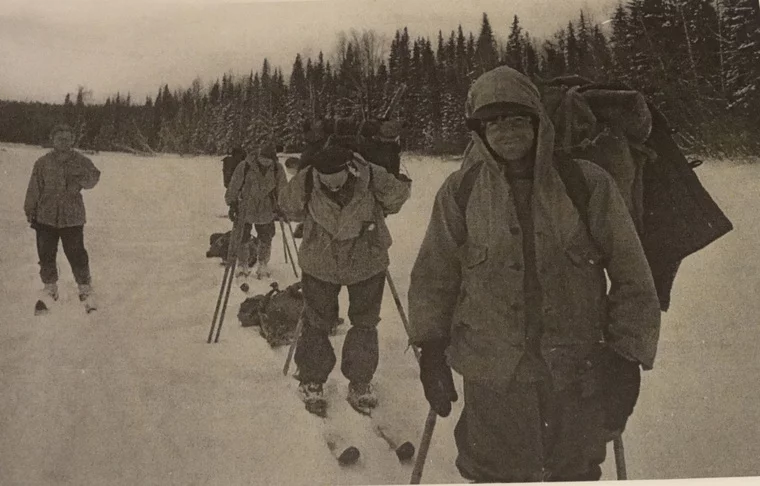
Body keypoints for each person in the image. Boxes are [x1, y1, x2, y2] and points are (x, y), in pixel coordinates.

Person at [407, 66, 661, 483]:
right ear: (480, 132)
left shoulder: (587, 183)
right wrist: (431, 351)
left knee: (575, 473)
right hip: (493, 378)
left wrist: (626, 358)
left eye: (516, 118)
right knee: (493, 474)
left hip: (576, 375)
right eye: (493, 122)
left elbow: (633, 275)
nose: (505, 131)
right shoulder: (460, 191)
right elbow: (435, 276)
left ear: (537, 121)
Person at [280, 145, 411, 414]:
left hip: (366, 261)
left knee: (365, 322)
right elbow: (288, 208)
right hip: (320, 263)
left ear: (348, 167)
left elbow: (397, 198)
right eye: (324, 177)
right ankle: (312, 380)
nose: (331, 184)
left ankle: (360, 382)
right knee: (317, 322)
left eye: (336, 177)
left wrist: (384, 179)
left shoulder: (370, 175)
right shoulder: (306, 179)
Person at [24, 123, 101, 310]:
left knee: (76, 253)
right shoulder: (42, 163)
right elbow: (34, 188)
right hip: (45, 216)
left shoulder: (80, 160)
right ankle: (50, 288)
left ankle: (85, 288)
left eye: (67, 138)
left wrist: (79, 181)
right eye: (60, 138)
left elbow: (94, 177)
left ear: (72, 140)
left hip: (72, 217)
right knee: (46, 254)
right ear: (53, 140)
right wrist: (30, 210)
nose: (63, 142)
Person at [225, 143, 287, 279]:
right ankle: (242, 265)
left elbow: (283, 189)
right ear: (259, 156)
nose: (265, 162)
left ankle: (263, 264)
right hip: (246, 207)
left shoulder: (277, 169)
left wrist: (283, 207)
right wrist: (232, 204)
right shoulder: (245, 166)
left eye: (268, 160)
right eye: (263, 159)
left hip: (266, 209)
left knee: (266, 237)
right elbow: (234, 185)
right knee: (243, 237)